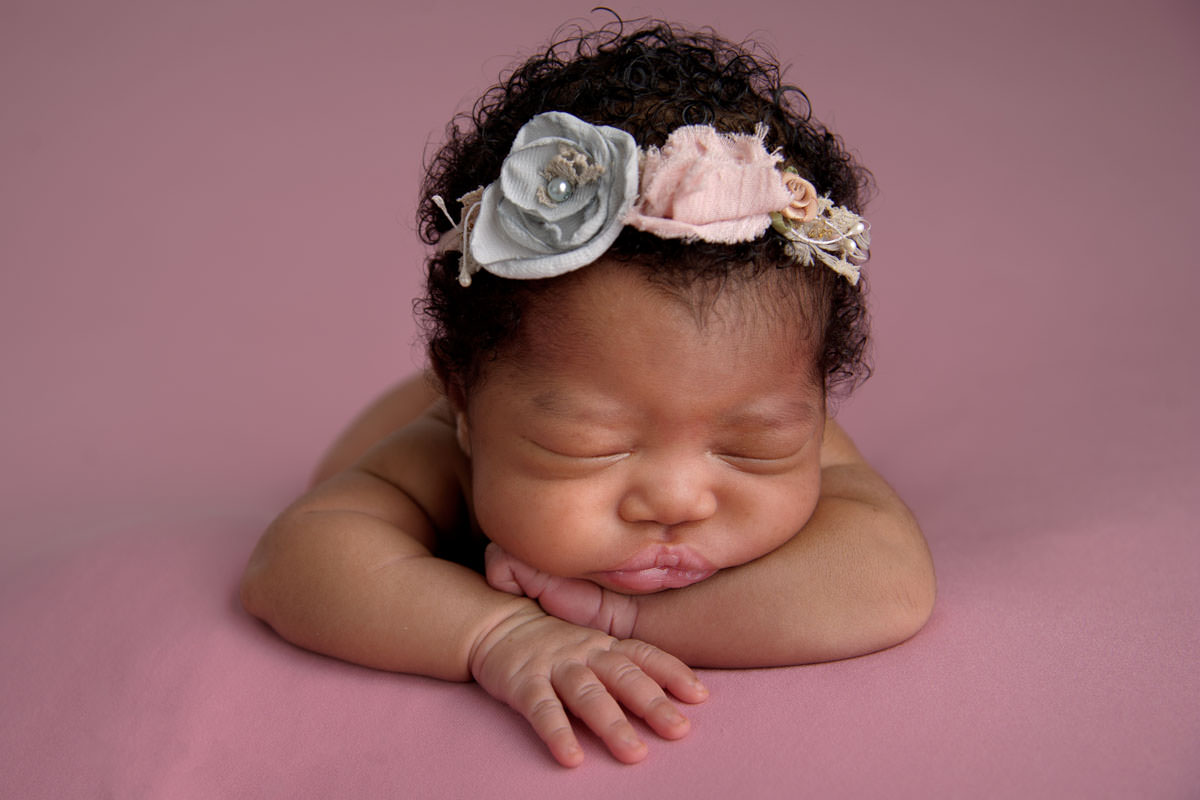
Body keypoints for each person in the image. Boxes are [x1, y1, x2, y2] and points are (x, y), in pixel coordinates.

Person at [240, 17, 935, 768]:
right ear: (467, 406)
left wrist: (621, 616)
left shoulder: (771, 407)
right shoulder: (441, 451)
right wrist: (500, 634)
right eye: (590, 445)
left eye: (750, 448)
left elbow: (891, 582)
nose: (676, 500)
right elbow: (294, 561)